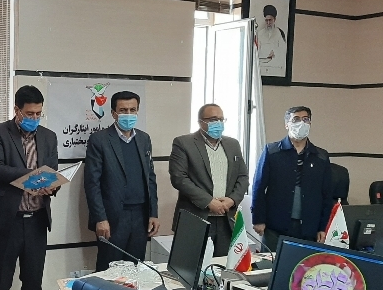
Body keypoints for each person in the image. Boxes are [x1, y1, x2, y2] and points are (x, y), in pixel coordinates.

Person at [0, 85, 58, 290]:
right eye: (29, 113)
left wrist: (52, 185)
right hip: (8, 222)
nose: (34, 118)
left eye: (38, 113)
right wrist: (31, 176)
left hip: (37, 221)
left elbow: (52, 172)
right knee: (0, 286)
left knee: (33, 285)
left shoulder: (49, 137)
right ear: (17, 110)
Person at [84, 91, 160, 271]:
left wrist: (153, 213)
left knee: (135, 269)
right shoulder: (99, 140)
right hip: (112, 218)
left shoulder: (144, 139)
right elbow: (92, 183)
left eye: (133, 110)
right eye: (123, 110)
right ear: (113, 113)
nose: (128, 114)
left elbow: (150, 177)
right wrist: (100, 218)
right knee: (109, 272)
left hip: (140, 216)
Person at [169, 104, 249, 256]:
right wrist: (208, 202)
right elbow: (179, 178)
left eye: (221, 119)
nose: (218, 123)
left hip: (227, 219)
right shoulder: (183, 143)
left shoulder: (233, 144)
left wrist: (232, 200)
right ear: (201, 122)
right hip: (196, 218)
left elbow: (243, 177)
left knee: (224, 264)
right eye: (213, 119)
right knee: (193, 264)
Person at [252, 106, 332, 251]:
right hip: (275, 226)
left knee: (304, 265)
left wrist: (323, 227)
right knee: (270, 264)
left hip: (309, 228)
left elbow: (326, 194)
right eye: (296, 119)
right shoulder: (272, 151)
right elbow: (259, 187)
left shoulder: (321, 156)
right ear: (286, 124)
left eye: (305, 119)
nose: (301, 123)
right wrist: (258, 219)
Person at [259, 4, 287, 76]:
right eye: (266, 20)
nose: (268, 23)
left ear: (274, 19)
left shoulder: (280, 33)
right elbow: (257, 52)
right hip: (262, 68)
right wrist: (267, 55)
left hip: (275, 69)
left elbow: (283, 51)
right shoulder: (260, 34)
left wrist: (275, 52)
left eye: (270, 20)